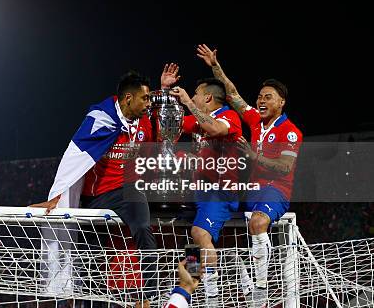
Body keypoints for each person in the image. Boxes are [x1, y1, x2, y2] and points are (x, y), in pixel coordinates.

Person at [31, 69, 180, 304]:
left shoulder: (145, 119)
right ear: (128, 98)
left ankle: (149, 297)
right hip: (97, 196)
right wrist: (58, 196)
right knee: (89, 255)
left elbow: (164, 135)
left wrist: (165, 90)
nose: (148, 104)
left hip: (128, 190)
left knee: (143, 229)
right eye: (144, 98)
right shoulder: (100, 119)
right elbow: (75, 157)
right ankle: (84, 300)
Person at [196, 44, 303, 307]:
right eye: (260, 97)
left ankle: (260, 290)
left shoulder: (290, 132)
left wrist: (254, 157)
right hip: (245, 189)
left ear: (281, 102)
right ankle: (207, 289)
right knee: (203, 230)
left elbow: (285, 168)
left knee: (256, 223)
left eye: (268, 97)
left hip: (274, 190)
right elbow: (232, 93)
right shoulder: (255, 121)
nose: (261, 101)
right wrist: (214, 65)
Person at [165, 77, 243, 306]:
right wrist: (165, 91)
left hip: (220, 192)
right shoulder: (198, 121)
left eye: (197, 94)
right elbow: (171, 123)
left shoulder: (230, 117)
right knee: (191, 239)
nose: (194, 97)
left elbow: (214, 128)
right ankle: (193, 285)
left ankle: (212, 296)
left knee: (200, 233)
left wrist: (189, 102)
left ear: (207, 97)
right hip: (199, 191)